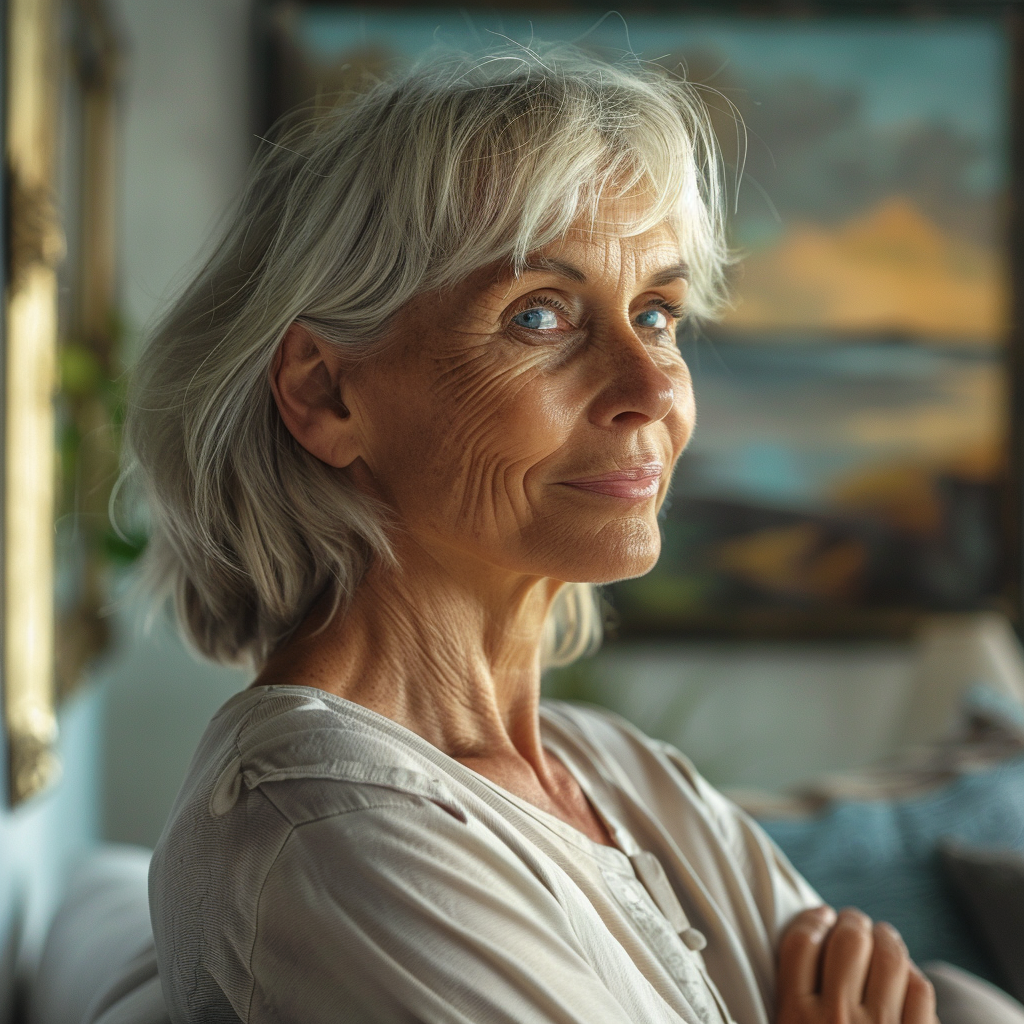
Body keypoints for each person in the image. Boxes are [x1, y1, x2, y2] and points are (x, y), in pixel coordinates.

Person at [129, 44, 999, 1024]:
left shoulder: (617, 769)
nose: (654, 388)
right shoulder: (328, 832)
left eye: (657, 312)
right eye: (540, 314)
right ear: (326, 391)